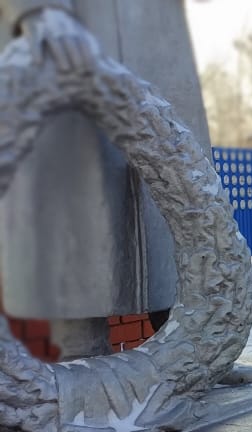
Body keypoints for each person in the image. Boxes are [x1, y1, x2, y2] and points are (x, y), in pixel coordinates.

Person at [0, 0, 210, 358]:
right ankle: (79, 360)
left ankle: (200, 355)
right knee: (76, 210)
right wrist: (37, 9)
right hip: (70, 25)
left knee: (180, 191)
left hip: (155, 33)